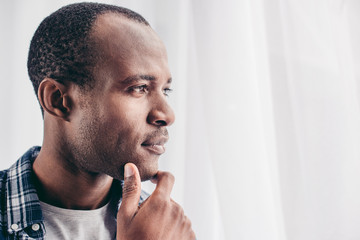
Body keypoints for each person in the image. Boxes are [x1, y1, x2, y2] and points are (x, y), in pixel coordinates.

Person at [0, 2, 195, 240]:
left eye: (166, 90)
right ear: (58, 100)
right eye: (139, 88)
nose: (167, 114)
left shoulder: (166, 228)